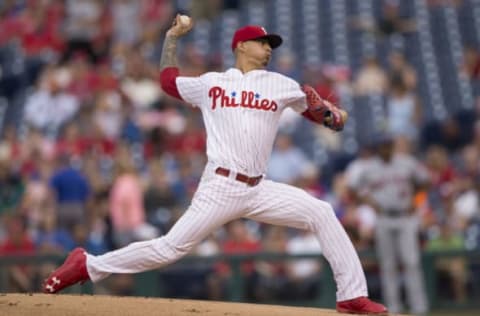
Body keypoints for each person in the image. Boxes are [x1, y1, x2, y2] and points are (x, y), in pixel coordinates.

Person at [43, 14, 387, 314]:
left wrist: (331, 114)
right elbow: (167, 81)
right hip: (220, 186)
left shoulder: (281, 84)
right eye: (261, 42)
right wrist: (171, 38)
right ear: (241, 46)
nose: (268, 48)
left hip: (259, 188)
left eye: (270, 44)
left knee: (322, 212)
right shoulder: (212, 83)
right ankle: (87, 264)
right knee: (168, 249)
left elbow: (329, 118)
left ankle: (352, 295)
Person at [347, 135, 429, 315]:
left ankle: (419, 309)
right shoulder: (369, 168)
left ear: (392, 147)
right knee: (388, 265)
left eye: (388, 146)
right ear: (379, 148)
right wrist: (369, 201)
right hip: (384, 217)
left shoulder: (407, 162)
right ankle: (394, 308)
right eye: (383, 146)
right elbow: (352, 188)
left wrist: (416, 201)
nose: (386, 149)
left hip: (405, 217)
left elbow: (425, 182)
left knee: (411, 262)